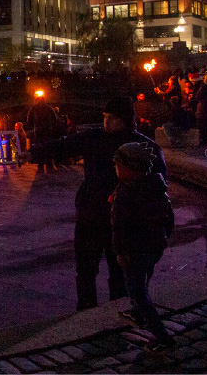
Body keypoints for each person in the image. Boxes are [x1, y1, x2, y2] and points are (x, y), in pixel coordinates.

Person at [40, 97, 165, 310]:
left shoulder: (143, 147)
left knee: (119, 272)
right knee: (86, 270)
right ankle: (87, 310)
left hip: (122, 220)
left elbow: (158, 184)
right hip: (90, 216)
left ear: (125, 119)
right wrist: (35, 151)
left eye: (112, 118)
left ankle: (117, 310)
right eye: (105, 118)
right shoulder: (95, 137)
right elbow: (64, 145)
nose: (106, 123)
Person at [110, 142, 176, 352]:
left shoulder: (126, 194)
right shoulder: (157, 188)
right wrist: (162, 239)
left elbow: (120, 227)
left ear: (128, 168)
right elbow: (169, 219)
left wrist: (120, 252)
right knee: (144, 280)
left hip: (134, 251)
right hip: (154, 247)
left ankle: (162, 337)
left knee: (137, 292)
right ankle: (139, 312)